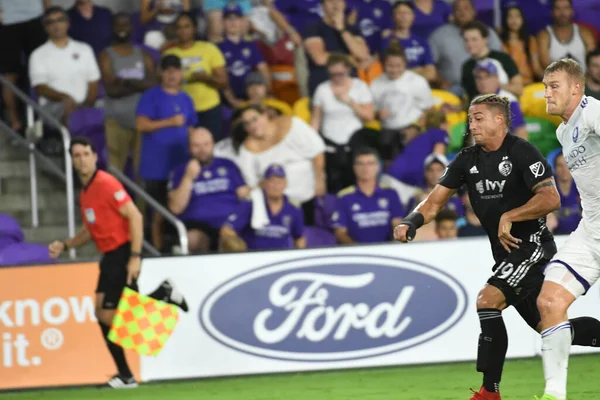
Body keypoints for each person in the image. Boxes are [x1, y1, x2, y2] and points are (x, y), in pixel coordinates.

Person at [394, 93, 562, 400]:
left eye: (478, 118)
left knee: (488, 300)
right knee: (550, 328)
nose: (471, 125)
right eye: (470, 119)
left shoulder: (522, 151)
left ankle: (489, 392)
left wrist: (511, 215)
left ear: (500, 120)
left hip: (532, 247)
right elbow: (434, 202)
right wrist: (412, 222)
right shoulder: (466, 160)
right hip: (506, 255)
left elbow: (551, 199)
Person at [47, 137, 187, 389]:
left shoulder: (106, 183)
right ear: (72, 160)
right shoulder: (87, 192)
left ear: (94, 156)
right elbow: (89, 230)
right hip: (110, 257)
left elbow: (135, 215)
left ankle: (126, 374)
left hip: (122, 253)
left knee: (114, 317)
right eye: (76, 155)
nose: (82, 159)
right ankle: (126, 373)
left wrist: (135, 256)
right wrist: (65, 245)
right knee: (106, 314)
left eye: (85, 154)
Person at [534, 58, 600, 400]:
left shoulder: (591, 113)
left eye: (554, 86)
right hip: (591, 234)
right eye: (545, 86)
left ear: (576, 87)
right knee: (548, 301)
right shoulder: (563, 131)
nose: (546, 93)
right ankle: (554, 395)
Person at [217, 104, 326, 225]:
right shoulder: (246, 151)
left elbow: (317, 151)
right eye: (247, 123)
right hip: (276, 205)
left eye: (255, 119)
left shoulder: (292, 124)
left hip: (308, 195)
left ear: (265, 114)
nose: (252, 126)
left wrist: (319, 181)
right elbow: (252, 183)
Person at [136, 54, 198, 251]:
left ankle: (175, 247)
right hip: (156, 164)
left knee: (178, 208)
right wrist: (169, 122)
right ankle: (156, 251)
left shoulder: (186, 98)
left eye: (176, 70)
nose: (172, 74)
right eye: (168, 70)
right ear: (161, 73)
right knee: (157, 211)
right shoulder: (151, 96)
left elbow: (191, 128)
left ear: (181, 73)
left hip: (179, 162)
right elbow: (141, 124)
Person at [168, 128, 249, 253]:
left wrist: (234, 223)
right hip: (199, 226)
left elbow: (245, 196)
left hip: (230, 224)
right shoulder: (180, 171)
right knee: (193, 239)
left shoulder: (228, 165)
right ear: (189, 148)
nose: (202, 150)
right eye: (196, 145)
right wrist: (188, 177)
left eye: (206, 144)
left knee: (233, 242)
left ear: (213, 144)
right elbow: (176, 208)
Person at [100, 12, 157, 174]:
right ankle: (113, 201)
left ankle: (140, 201)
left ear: (132, 27)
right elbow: (112, 90)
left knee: (142, 170)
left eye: (125, 24)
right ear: (112, 28)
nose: (122, 28)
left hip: (142, 119)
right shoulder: (107, 55)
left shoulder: (143, 55)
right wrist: (139, 83)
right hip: (116, 120)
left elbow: (152, 84)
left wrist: (125, 81)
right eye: (118, 24)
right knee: (115, 170)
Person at [311, 53, 374, 192]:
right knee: (331, 182)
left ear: (348, 70)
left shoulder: (360, 86)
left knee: (353, 180)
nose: (337, 77)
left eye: (340, 73)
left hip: (353, 141)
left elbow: (369, 116)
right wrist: (311, 141)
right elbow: (316, 119)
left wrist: (350, 102)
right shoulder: (322, 89)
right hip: (329, 142)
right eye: (333, 74)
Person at [29, 6, 100, 125]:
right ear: (46, 28)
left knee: (111, 110)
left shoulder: (84, 49)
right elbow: (40, 88)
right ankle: (72, 142)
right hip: (54, 106)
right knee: (69, 111)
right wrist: (64, 97)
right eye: (51, 22)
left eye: (60, 20)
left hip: (85, 103)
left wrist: (87, 105)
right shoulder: (38, 54)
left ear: (67, 23)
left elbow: (93, 83)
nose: (56, 25)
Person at [164, 12, 228, 141]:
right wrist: (186, 79)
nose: (183, 31)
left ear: (194, 28)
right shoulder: (169, 54)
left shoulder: (209, 49)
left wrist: (206, 78)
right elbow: (163, 85)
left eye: (187, 26)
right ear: (175, 30)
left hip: (209, 109)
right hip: (180, 110)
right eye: (179, 27)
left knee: (209, 147)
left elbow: (223, 82)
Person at [370, 44, 435, 161]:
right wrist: (378, 114)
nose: (394, 70)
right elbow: (371, 112)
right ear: (383, 65)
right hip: (387, 131)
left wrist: (416, 128)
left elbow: (430, 109)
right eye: (390, 66)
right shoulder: (376, 84)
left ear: (405, 64)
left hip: (413, 128)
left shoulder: (417, 81)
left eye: (398, 66)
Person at [220, 164, 306, 250]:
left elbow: (299, 238)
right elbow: (227, 229)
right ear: (264, 184)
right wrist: (239, 247)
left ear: (285, 184)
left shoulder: (294, 208)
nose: (276, 186)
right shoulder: (251, 203)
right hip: (253, 257)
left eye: (279, 182)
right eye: (272, 182)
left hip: (282, 259)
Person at [428, 0, 502, 96]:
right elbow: (429, 65)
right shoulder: (438, 35)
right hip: (454, 87)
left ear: (474, 11)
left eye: (466, 8)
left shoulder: (487, 33)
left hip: (485, 86)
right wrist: (440, 80)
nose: (463, 12)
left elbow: (499, 60)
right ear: (453, 13)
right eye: (458, 9)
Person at [331, 147, 404, 244]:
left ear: (378, 166)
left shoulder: (390, 193)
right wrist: (359, 250)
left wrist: (392, 248)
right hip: (357, 254)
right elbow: (340, 232)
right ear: (354, 167)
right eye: (360, 164)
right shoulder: (344, 197)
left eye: (370, 163)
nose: (365, 168)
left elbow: (398, 224)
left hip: (387, 252)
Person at [0, 0, 50, 132]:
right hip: (9, 22)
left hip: (36, 18)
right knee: (9, 75)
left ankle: (47, 116)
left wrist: (47, 13)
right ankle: (15, 121)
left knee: (45, 69)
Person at [302, 0, 370, 96]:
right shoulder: (313, 27)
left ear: (344, 4)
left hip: (350, 85)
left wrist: (341, 29)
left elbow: (363, 55)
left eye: (339, 1)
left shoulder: (352, 29)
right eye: (330, 1)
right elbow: (319, 58)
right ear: (323, 6)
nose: (335, 4)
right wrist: (350, 58)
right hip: (323, 84)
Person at [218, 4, 271, 108]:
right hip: (227, 101)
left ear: (242, 21)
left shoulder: (250, 45)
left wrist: (267, 93)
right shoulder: (218, 47)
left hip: (250, 97)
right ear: (223, 22)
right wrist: (232, 100)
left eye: (236, 18)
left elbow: (263, 69)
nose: (233, 22)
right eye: (229, 19)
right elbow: (221, 77)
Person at [461, 20, 523, 101]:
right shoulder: (467, 66)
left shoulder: (502, 58)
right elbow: (470, 98)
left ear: (485, 39)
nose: (470, 44)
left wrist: (495, 84)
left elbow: (519, 90)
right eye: (466, 40)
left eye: (474, 39)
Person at [380, 1, 436, 83]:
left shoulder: (422, 41)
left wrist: (408, 72)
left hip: (420, 85)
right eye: (399, 13)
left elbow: (431, 73)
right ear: (393, 17)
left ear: (413, 16)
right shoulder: (387, 42)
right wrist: (419, 70)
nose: (403, 16)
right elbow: (393, 72)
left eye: (407, 13)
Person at [473, 60, 528, 140]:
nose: (483, 81)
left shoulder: (509, 101)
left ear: (497, 78)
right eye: (479, 77)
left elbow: (521, 134)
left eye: (488, 77)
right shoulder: (476, 101)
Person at [537, 0, 596, 72]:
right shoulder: (544, 35)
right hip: (556, 81)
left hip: (584, 80)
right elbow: (545, 65)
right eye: (558, 8)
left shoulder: (584, 33)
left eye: (566, 8)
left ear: (572, 11)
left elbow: (593, 62)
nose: (562, 13)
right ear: (552, 12)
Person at [498, 4, 543, 86]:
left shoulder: (530, 40)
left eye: (517, 16)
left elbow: (536, 68)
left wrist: (549, 80)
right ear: (505, 20)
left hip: (529, 85)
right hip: (510, 86)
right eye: (510, 17)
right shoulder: (501, 42)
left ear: (522, 19)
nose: (514, 20)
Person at [547, 152, 582, 235]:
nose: (564, 169)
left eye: (567, 165)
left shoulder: (581, 185)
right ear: (554, 168)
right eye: (560, 165)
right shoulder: (548, 187)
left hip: (579, 235)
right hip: (555, 235)